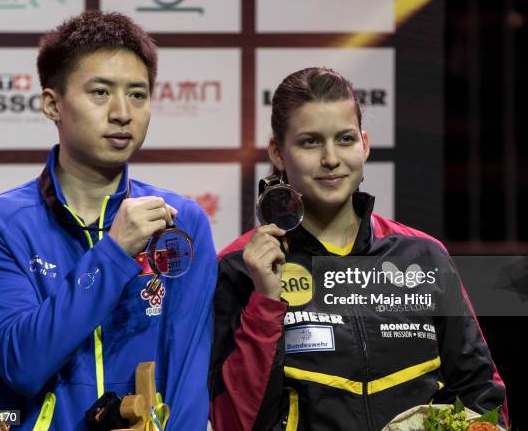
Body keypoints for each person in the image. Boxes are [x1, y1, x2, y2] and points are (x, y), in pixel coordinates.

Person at [0, 11, 216, 430]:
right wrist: (113, 253)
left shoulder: (182, 222)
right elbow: (21, 365)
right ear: (52, 103)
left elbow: (187, 378)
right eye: (100, 92)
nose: (122, 113)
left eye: (137, 94)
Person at [209, 68, 507, 430]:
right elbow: (235, 422)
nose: (331, 158)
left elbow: (480, 393)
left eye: (345, 139)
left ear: (364, 145)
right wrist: (265, 304)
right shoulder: (240, 269)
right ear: (277, 152)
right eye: (310, 142)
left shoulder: (423, 256)